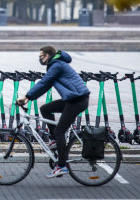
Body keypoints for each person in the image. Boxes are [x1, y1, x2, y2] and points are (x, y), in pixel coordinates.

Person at [16, 45, 89, 178]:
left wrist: (27, 97)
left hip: (77, 100)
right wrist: (29, 98)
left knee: (59, 130)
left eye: (41, 56)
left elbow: (44, 83)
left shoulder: (57, 65)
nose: (40, 59)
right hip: (72, 99)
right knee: (45, 109)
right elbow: (46, 85)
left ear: (48, 55)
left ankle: (62, 166)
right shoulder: (55, 64)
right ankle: (56, 140)